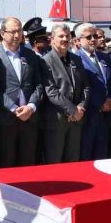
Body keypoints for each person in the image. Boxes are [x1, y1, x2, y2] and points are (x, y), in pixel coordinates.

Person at [0, 17, 44, 169]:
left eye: (19, 31)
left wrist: (31, 106)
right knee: (7, 163)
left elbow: (38, 84)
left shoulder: (30, 55)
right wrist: (13, 108)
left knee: (28, 163)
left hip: (29, 119)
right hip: (5, 118)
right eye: (12, 31)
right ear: (2, 33)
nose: (16, 35)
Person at [41, 24, 89, 163]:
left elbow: (86, 86)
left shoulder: (76, 59)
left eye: (67, 36)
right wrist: (72, 110)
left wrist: (80, 108)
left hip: (76, 121)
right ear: (52, 39)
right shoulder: (46, 61)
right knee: (54, 163)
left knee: (73, 162)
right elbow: (51, 91)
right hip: (57, 121)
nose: (65, 39)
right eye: (61, 36)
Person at [75, 22, 111, 161]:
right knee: (86, 154)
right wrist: (100, 103)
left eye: (94, 36)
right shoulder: (75, 59)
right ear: (78, 40)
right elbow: (81, 87)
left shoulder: (104, 57)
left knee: (102, 154)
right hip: (88, 115)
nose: (93, 39)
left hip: (106, 115)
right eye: (88, 37)